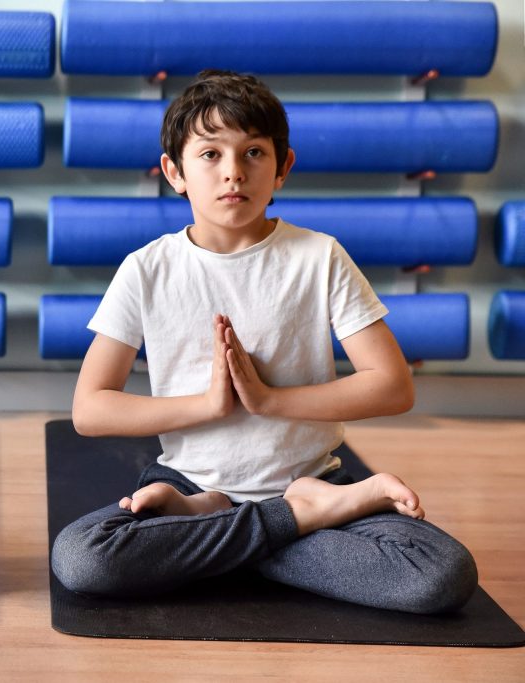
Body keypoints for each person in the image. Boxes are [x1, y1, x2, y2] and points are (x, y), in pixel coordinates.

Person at [50, 70, 477, 614]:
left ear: (282, 168)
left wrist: (270, 401)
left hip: (311, 478)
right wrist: (210, 405)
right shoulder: (146, 269)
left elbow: (393, 387)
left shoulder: (320, 257)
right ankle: (298, 517)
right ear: (175, 172)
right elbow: (90, 410)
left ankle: (219, 527)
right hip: (190, 483)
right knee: (84, 558)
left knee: (439, 575)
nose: (233, 171)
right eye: (210, 154)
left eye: (253, 152)